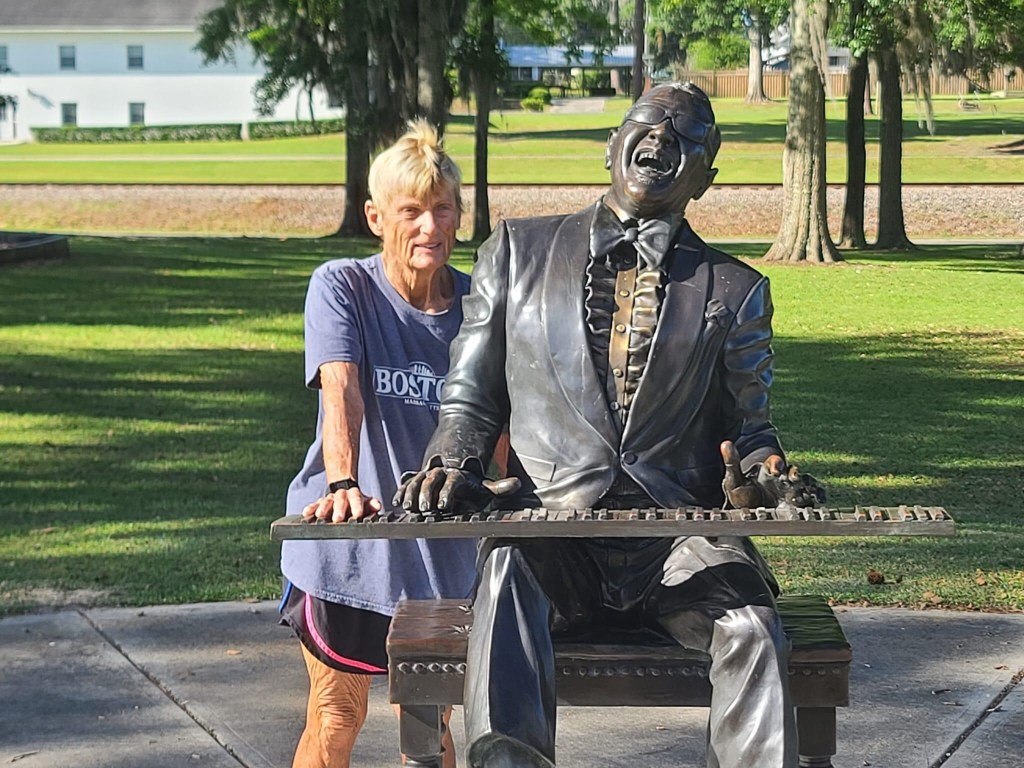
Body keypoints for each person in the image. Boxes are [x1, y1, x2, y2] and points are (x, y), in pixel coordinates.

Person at [396, 82, 824, 768]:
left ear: (704, 178)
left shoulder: (737, 290)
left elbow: (751, 433)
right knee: (506, 576)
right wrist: (454, 461)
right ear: (611, 145)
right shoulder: (516, 251)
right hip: (551, 533)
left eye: (686, 136)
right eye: (647, 122)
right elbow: (470, 399)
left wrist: (769, 477)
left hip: (679, 541)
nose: (661, 138)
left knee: (753, 625)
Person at [280, 119, 479, 768]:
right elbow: (341, 388)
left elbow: (498, 420)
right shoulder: (343, 286)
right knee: (337, 715)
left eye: (442, 209)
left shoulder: (480, 304)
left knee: (429, 727)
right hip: (350, 548)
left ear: (459, 217)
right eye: (411, 211)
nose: (429, 227)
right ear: (375, 217)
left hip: (439, 559)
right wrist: (343, 482)